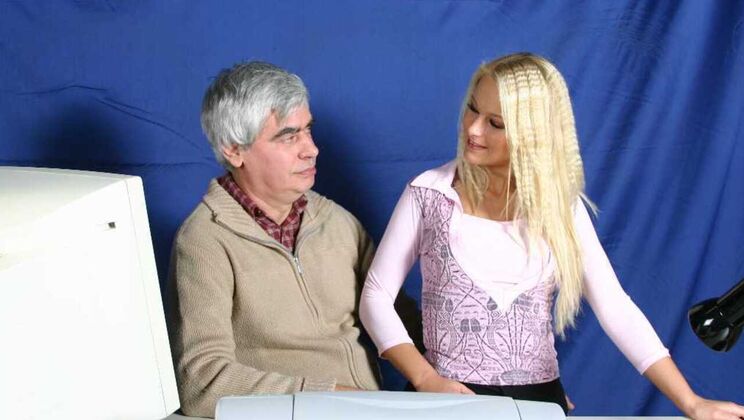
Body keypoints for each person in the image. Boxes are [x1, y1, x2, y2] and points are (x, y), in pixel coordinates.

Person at [359, 53, 744, 419]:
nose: (473, 129)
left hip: (539, 402)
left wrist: (692, 402)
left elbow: (615, 308)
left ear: (533, 134)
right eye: (472, 109)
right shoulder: (428, 194)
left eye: (496, 123)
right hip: (446, 399)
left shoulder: (561, 209)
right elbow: (375, 295)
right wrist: (425, 379)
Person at [167, 61, 380, 417]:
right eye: (289, 136)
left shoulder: (338, 222)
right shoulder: (203, 242)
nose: (311, 149)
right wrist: (326, 397)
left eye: (308, 130)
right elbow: (202, 381)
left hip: (373, 410)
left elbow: (401, 320)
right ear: (234, 150)